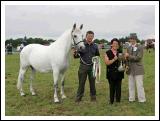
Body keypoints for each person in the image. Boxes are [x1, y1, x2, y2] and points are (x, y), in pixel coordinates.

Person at [73, 31, 100, 102]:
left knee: (92, 84)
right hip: (83, 67)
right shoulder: (82, 45)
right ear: (86, 36)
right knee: (81, 83)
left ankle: (93, 98)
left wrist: (97, 67)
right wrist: (75, 53)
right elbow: (76, 56)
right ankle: (78, 98)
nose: (90, 37)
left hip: (92, 67)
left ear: (93, 37)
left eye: (91, 36)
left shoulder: (95, 46)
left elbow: (97, 56)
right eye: (89, 36)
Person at [124, 36, 146, 103]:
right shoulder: (128, 47)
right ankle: (131, 98)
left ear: (136, 40)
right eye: (131, 39)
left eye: (133, 39)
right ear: (130, 40)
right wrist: (126, 64)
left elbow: (138, 58)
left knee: (139, 85)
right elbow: (127, 58)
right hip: (130, 69)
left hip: (138, 69)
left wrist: (128, 56)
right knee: (131, 85)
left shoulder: (140, 47)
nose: (132, 40)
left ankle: (142, 99)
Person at [104, 38, 124, 104]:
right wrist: (114, 59)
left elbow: (123, 62)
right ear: (111, 44)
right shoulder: (107, 52)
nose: (115, 45)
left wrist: (125, 66)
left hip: (119, 73)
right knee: (112, 87)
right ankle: (111, 101)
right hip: (111, 73)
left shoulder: (120, 52)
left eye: (117, 44)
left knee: (119, 87)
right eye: (114, 43)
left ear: (118, 45)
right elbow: (107, 63)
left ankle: (118, 100)